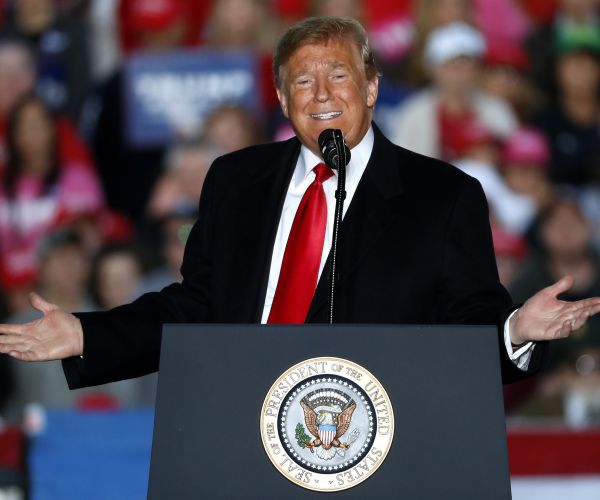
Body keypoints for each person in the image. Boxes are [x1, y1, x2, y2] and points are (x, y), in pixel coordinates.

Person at [1, 17, 600, 391]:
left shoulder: (443, 195)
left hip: (381, 441)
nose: (320, 94)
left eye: (337, 76)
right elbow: (194, 307)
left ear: (370, 88)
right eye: (301, 81)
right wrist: (87, 334)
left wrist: (515, 329)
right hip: (243, 428)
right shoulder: (235, 180)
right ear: (283, 100)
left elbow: (467, 321)